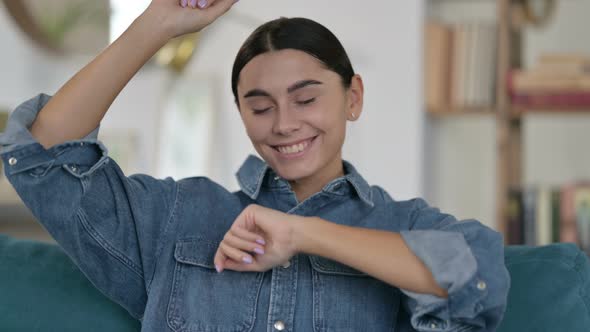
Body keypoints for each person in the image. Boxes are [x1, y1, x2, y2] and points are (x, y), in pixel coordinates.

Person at [0, 0, 510, 331]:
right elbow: (43, 154)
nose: (284, 124)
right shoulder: (177, 215)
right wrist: (158, 21)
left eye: (305, 99)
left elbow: (474, 276)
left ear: (352, 97)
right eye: (261, 107)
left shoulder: (404, 229)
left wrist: (304, 234)